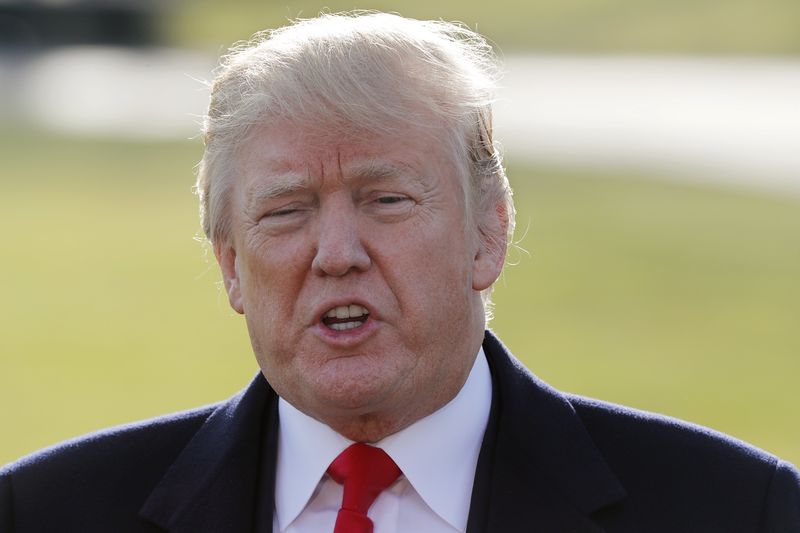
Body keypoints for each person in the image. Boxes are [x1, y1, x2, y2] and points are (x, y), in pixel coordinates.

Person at [1, 11, 799, 533]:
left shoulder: (735, 508)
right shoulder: (45, 511)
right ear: (231, 263)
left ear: (489, 232)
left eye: (386, 199)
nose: (337, 251)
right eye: (287, 210)